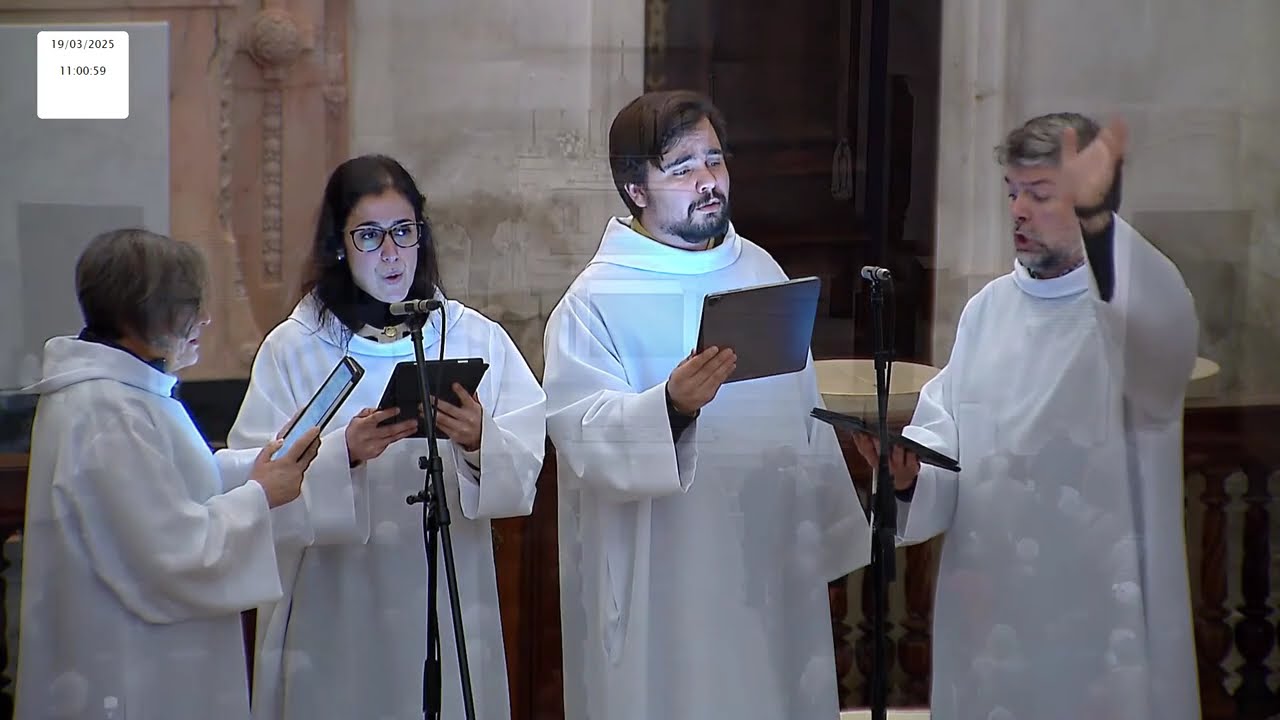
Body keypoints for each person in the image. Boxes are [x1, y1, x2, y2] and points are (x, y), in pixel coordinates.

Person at [853, 113, 1200, 720]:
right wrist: (910, 476)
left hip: (1099, 626)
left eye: (1040, 195)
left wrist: (1099, 226)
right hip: (993, 618)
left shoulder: (1125, 313)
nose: (1017, 210)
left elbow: (1166, 335)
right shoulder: (986, 311)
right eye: (1012, 191)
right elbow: (948, 438)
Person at [542, 90, 872, 720]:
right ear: (636, 189)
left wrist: (816, 538)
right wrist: (668, 409)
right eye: (682, 167)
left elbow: (802, 413)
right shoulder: (594, 301)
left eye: (714, 161)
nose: (708, 182)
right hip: (665, 584)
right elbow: (580, 434)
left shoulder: (760, 270)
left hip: (765, 563)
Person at [228, 154, 546, 720]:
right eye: (369, 236)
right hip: (338, 604)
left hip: (447, 597)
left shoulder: (473, 336)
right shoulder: (295, 348)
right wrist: (342, 455)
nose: (391, 252)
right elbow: (253, 483)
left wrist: (478, 443)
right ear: (338, 244)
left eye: (403, 232)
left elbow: (524, 468)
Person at [15, 228, 318, 720]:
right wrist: (261, 496)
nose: (205, 319)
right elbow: (172, 555)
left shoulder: (126, 392)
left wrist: (259, 469)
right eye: (189, 306)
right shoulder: (106, 410)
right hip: (130, 673)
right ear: (144, 311)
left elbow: (180, 485)